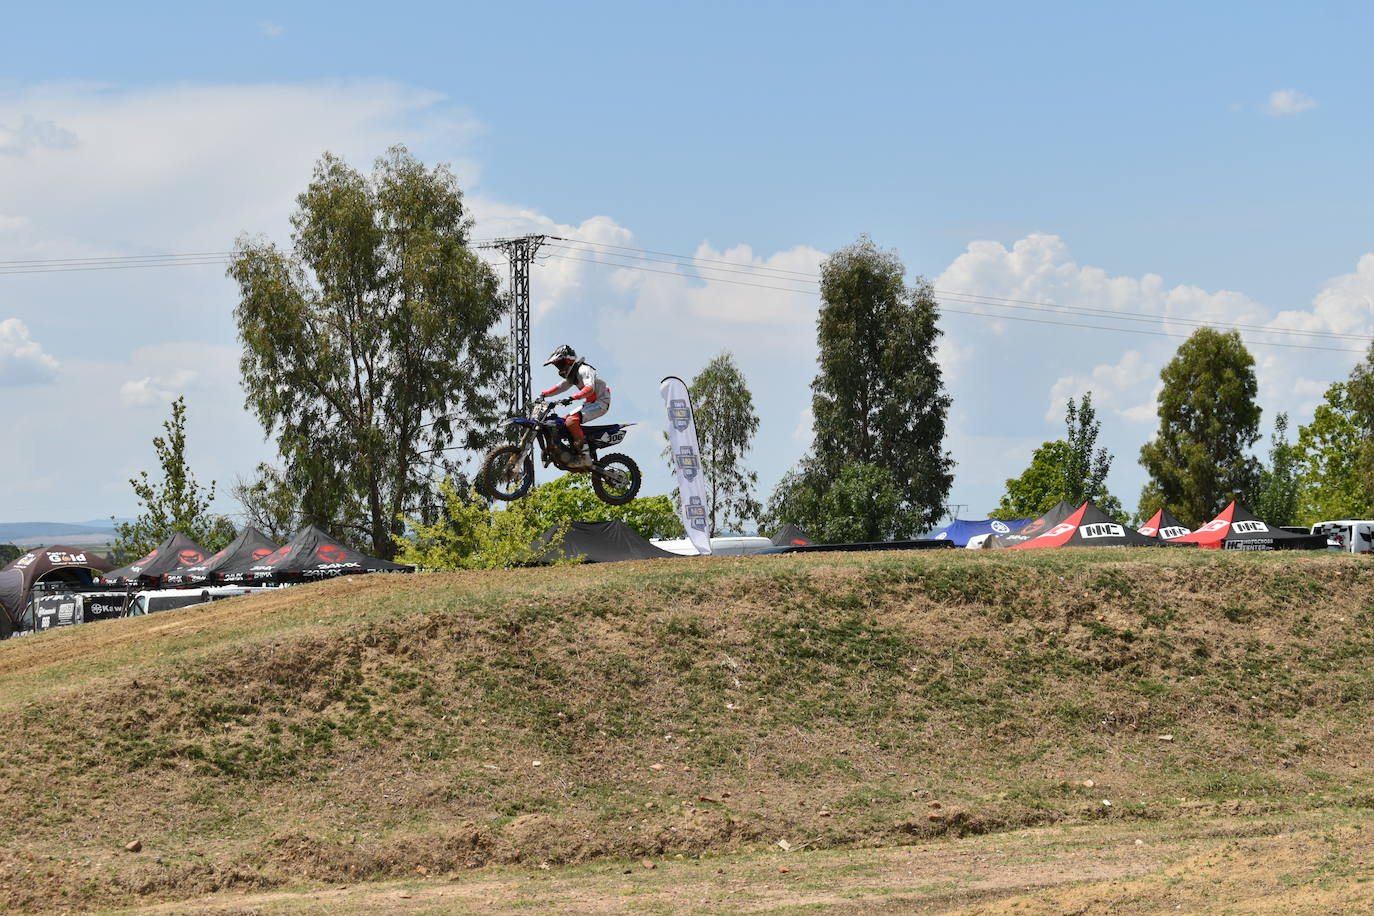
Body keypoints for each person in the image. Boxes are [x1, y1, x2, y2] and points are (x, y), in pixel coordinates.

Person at [539, 345, 611, 470]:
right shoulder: (572, 375)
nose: (559, 368)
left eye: (559, 364)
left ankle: (585, 457)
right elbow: (560, 387)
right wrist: (544, 394)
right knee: (558, 423)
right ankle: (565, 450)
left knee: (571, 421)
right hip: (590, 404)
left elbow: (589, 388)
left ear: (568, 361)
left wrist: (573, 397)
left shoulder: (584, 369)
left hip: (600, 403)